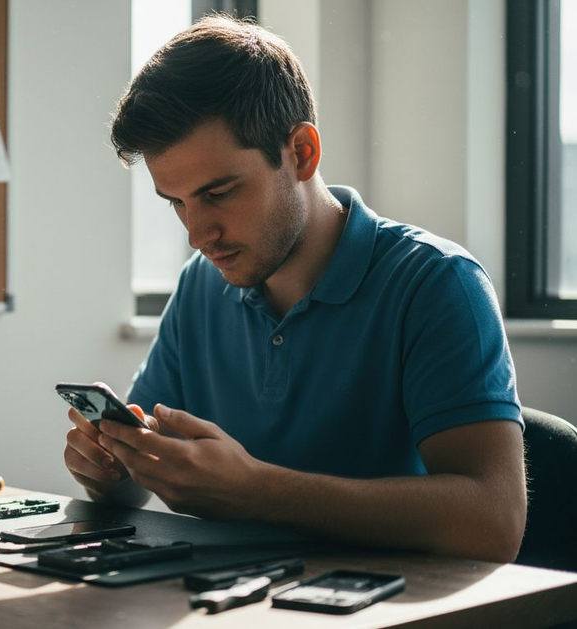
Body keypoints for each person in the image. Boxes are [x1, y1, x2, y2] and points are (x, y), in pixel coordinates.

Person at [63, 14, 526, 563]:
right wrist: (112, 470)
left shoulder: (438, 283)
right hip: (230, 594)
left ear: (302, 153)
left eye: (218, 193)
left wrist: (256, 491)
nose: (197, 236)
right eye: (177, 203)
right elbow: (141, 475)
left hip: (387, 600)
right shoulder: (200, 286)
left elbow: (494, 523)